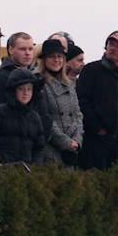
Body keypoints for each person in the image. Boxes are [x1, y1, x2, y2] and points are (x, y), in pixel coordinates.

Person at [76, 31, 118, 169]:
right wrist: (97, 128)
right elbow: (81, 101)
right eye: (111, 44)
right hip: (96, 141)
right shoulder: (92, 70)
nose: (113, 48)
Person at [0, 68, 45, 166]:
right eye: (21, 88)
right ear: (12, 90)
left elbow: (39, 148)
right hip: (1, 171)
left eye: (29, 89)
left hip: (27, 172)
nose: (26, 93)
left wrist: (36, 167)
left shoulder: (35, 117)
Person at [37, 39, 84, 168]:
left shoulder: (70, 84)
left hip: (71, 150)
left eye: (59, 56)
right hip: (50, 150)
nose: (56, 60)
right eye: (51, 56)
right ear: (44, 59)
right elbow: (44, 118)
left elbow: (77, 114)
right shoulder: (39, 83)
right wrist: (64, 142)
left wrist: (77, 141)